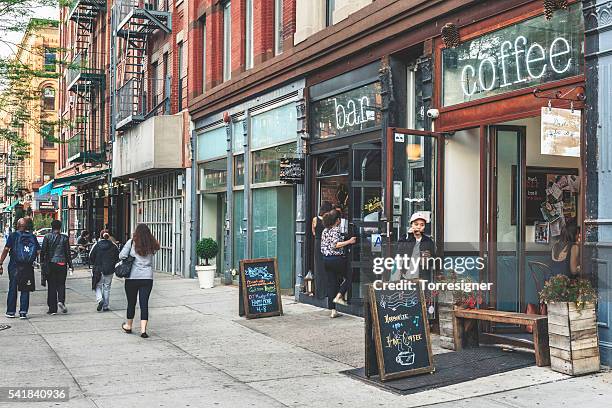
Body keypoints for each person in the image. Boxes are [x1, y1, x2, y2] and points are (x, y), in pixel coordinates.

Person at [120, 224, 160, 338]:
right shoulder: (152, 244)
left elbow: (122, 255)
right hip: (147, 277)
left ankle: (128, 325)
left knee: (131, 302)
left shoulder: (132, 242)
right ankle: (143, 330)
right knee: (144, 303)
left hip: (132, 277)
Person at [0, 218, 41, 319]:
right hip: (27, 266)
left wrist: (0, 262)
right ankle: (23, 312)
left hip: (14, 266)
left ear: (17, 225)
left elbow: (6, 250)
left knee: (13, 288)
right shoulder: (32, 236)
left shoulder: (13, 236)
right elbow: (38, 251)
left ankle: (11, 312)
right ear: (26, 226)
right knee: (25, 289)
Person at [321, 210, 356, 318]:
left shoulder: (325, 231)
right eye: (339, 219)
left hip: (326, 259)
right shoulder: (335, 230)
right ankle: (340, 295)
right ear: (337, 221)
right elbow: (335, 245)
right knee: (351, 276)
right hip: (336, 259)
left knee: (332, 284)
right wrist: (349, 241)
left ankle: (333, 311)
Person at [41, 219, 74, 315]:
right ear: (60, 227)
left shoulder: (47, 237)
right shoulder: (65, 238)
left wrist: (42, 263)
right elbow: (68, 253)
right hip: (62, 264)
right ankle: (61, 301)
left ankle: (52, 308)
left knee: (51, 286)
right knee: (61, 284)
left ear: (52, 227)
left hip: (51, 264)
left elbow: (43, 251)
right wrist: (70, 265)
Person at [396, 212, 436, 280]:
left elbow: (435, 259)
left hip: (422, 275)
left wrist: (429, 258)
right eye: (416, 224)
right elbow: (399, 252)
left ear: (424, 227)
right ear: (411, 225)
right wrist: (410, 236)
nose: (419, 227)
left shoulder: (428, 241)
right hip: (405, 274)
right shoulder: (404, 238)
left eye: (422, 225)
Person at [89, 229, 119, 311]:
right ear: (109, 236)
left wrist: (93, 264)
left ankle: (99, 299)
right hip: (109, 269)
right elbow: (118, 257)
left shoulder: (96, 245)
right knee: (107, 287)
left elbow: (91, 256)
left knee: (97, 285)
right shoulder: (113, 246)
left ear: (100, 236)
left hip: (98, 269)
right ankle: (105, 306)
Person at [312, 201, 333, 299]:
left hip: (317, 242)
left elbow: (313, 231)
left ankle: (318, 291)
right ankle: (325, 291)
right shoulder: (328, 220)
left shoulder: (315, 219)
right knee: (325, 267)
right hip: (325, 243)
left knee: (318, 267)